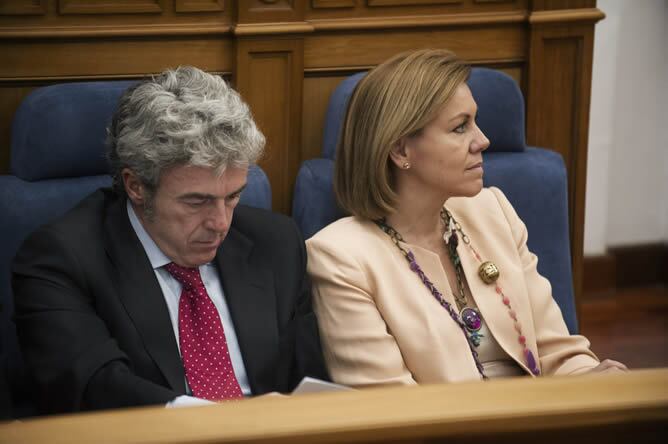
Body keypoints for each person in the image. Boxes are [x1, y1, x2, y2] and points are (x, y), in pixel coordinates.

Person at [12, 66, 328, 414]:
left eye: (233, 196)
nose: (220, 223)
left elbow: (309, 382)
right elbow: (93, 385)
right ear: (136, 186)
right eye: (197, 201)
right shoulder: (62, 259)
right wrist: (223, 424)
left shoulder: (277, 243)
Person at [306, 49, 626, 387]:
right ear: (400, 151)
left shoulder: (493, 212)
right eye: (460, 127)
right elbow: (392, 411)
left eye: (475, 122)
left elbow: (557, 352)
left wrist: (595, 382)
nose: (483, 140)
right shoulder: (340, 259)